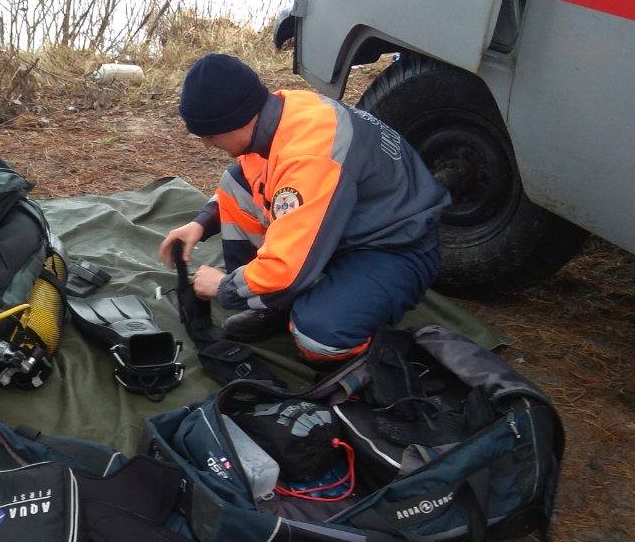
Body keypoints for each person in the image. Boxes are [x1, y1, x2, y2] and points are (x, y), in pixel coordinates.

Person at [159, 53, 449, 363]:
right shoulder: (281, 112)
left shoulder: (309, 157)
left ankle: (365, 356)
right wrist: (201, 223)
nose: (207, 145)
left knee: (318, 335)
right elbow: (253, 178)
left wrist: (225, 287)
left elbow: (287, 269)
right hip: (351, 224)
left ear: (235, 121)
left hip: (396, 247)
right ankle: (273, 305)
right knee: (235, 186)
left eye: (210, 136)